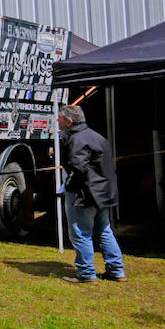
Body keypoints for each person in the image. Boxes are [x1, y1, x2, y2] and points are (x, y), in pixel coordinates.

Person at [58, 103, 126, 284]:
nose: (57, 121)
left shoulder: (76, 140)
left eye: (60, 119)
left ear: (69, 122)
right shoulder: (97, 137)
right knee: (104, 230)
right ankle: (116, 270)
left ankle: (87, 273)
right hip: (103, 193)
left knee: (81, 233)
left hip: (84, 195)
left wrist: (68, 185)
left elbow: (77, 169)